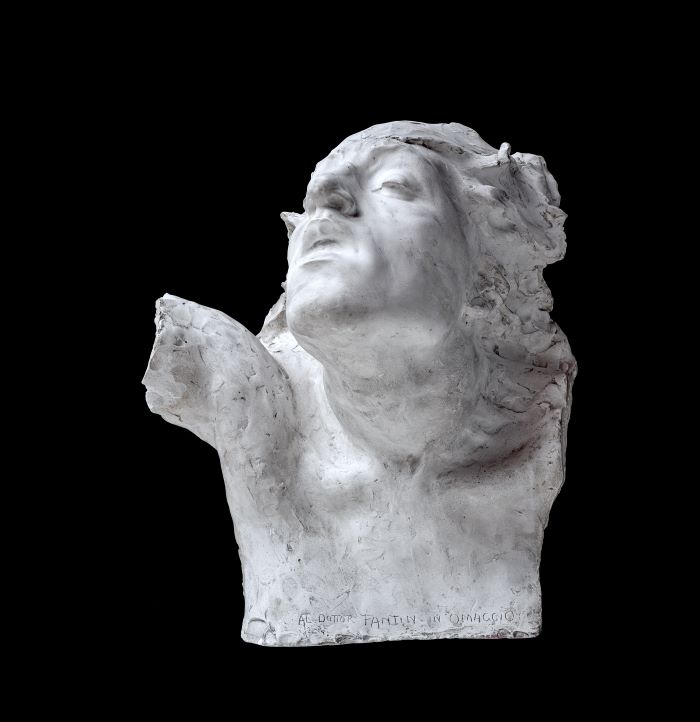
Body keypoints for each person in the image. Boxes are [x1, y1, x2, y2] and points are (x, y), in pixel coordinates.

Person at [143, 121, 576, 645]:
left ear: (487, 275)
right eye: (310, 201)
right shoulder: (242, 389)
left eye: (395, 185)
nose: (326, 199)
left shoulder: (527, 438)